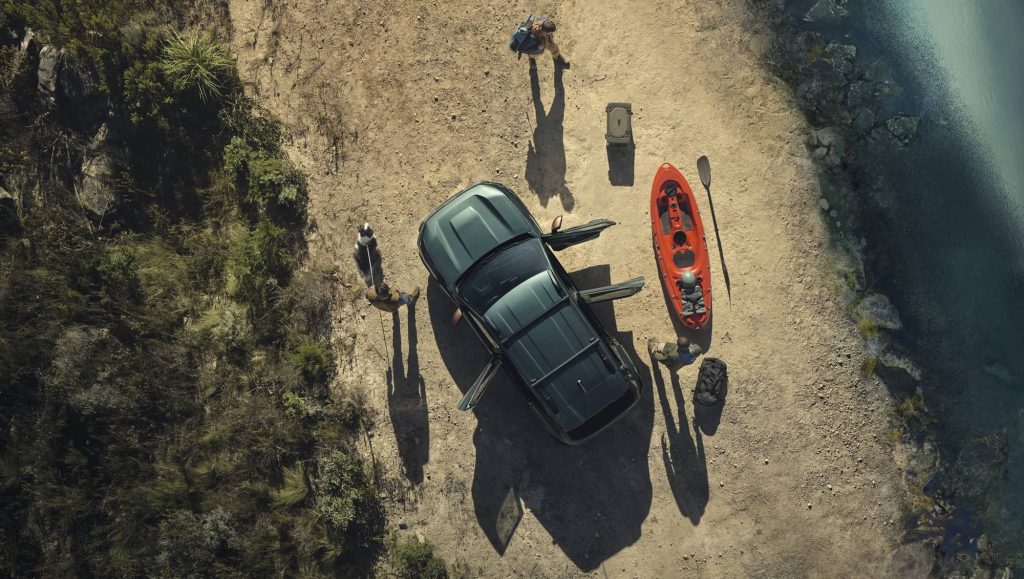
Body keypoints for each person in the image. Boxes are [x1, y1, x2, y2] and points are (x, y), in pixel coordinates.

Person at [352, 222, 382, 287]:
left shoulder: (360, 240)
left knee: (357, 252)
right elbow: (375, 244)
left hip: (362, 255)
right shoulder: (373, 240)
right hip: (369, 257)